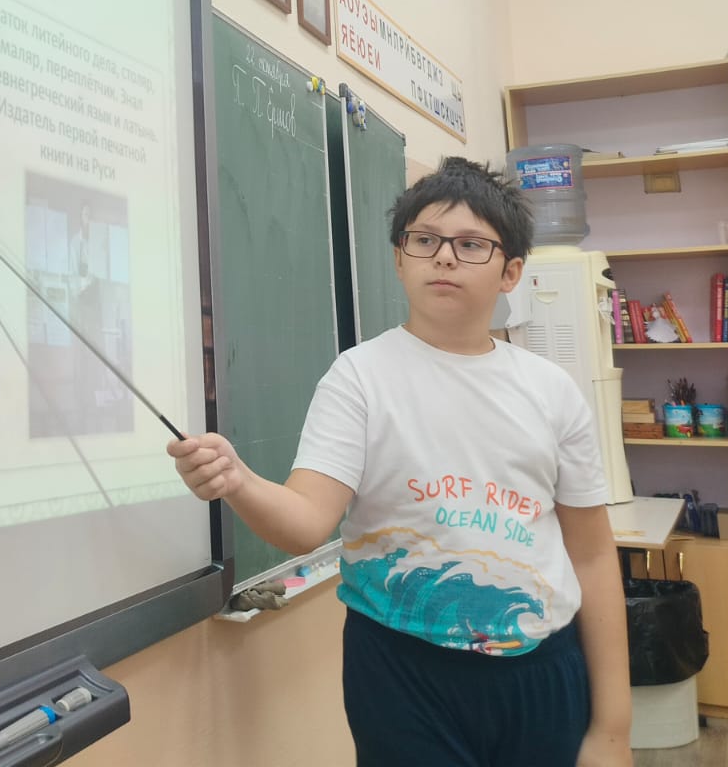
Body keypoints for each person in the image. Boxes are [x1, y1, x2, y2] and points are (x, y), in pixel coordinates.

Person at [168, 158, 630, 766]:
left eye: (471, 245)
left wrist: (614, 729)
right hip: (400, 672)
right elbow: (306, 520)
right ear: (398, 259)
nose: (444, 258)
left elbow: (592, 554)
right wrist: (238, 479)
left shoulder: (552, 390)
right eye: (425, 240)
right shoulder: (359, 377)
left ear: (511, 272)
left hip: (541, 669)